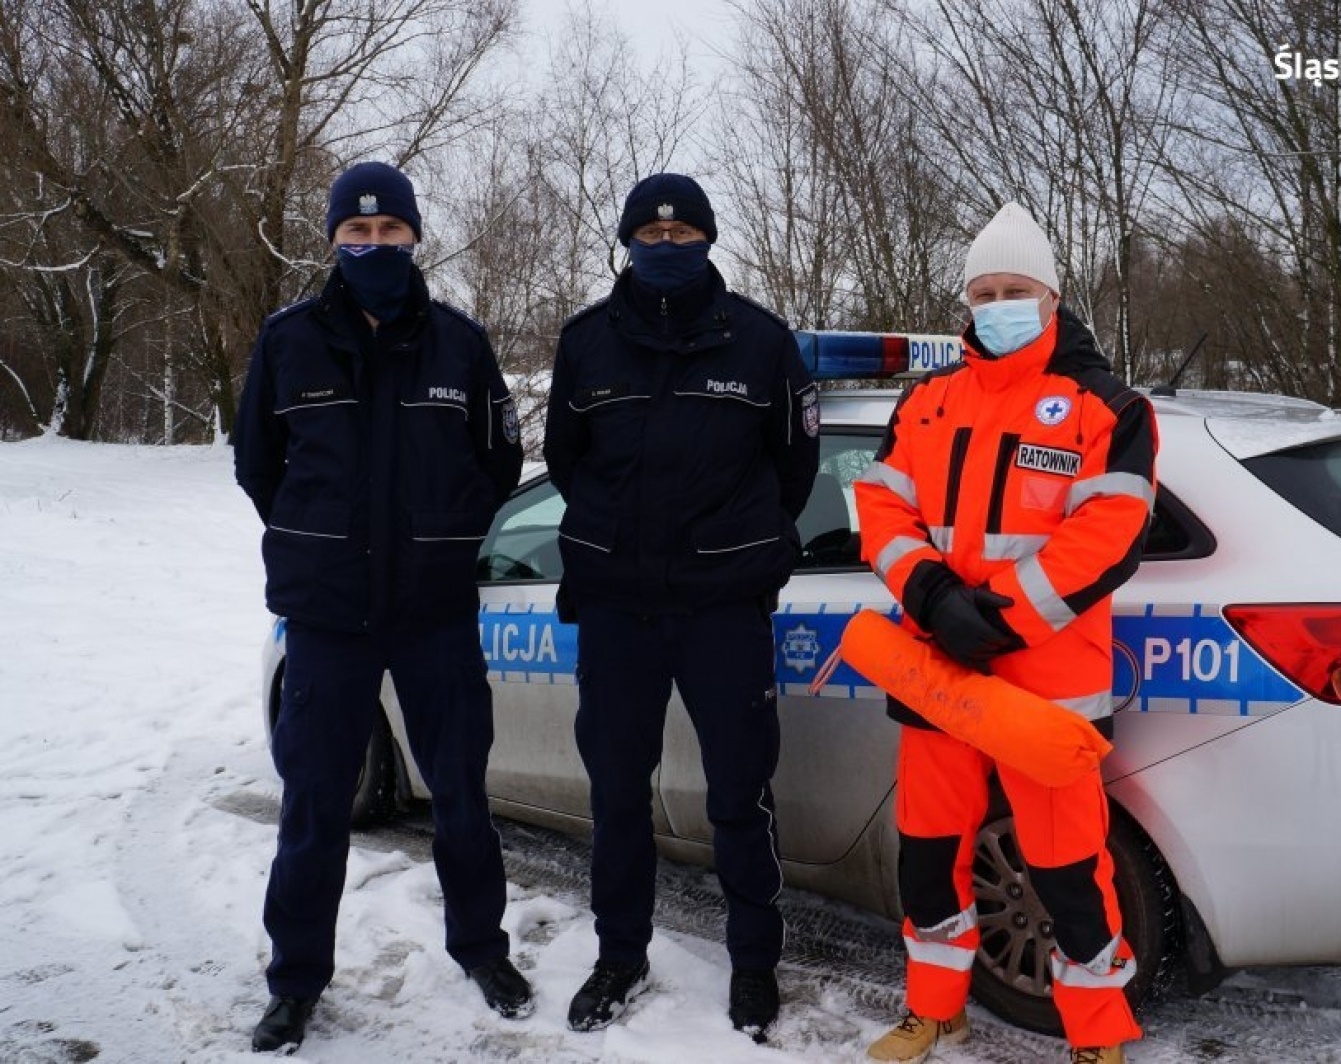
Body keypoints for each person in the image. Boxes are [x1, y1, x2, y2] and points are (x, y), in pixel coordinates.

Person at [232, 161, 530, 1053]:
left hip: (434, 614)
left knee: (462, 796)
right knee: (315, 804)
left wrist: (441, 534)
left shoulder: (459, 343)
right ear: (333, 241)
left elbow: (499, 462)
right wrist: (324, 539)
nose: (372, 246)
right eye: (356, 234)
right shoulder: (288, 342)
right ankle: (295, 983)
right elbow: (259, 466)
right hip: (327, 619)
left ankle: (482, 949)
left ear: (413, 238)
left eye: (388, 233)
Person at [854, 203, 1157, 1064]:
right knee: (927, 858)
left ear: (1051, 297)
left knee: (1068, 873)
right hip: (938, 673)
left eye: (1014, 289)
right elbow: (881, 506)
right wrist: (933, 593)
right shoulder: (929, 399)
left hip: (1048, 682)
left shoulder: (1105, 406)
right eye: (983, 291)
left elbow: (1110, 534)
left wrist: (996, 619)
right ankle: (934, 1010)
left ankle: (1097, 1035)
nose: (997, 303)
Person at [542, 173, 820, 1041]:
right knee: (617, 793)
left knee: (739, 795)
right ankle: (619, 954)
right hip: (619, 610)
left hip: (721, 612)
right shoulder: (584, 343)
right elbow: (564, 460)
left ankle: (753, 966)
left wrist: (744, 553)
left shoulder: (763, 344)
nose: (667, 249)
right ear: (628, 244)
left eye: (683, 236)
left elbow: (794, 471)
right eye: (651, 238)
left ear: (708, 241)